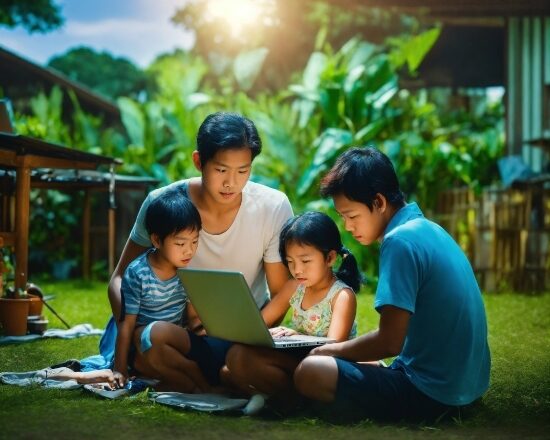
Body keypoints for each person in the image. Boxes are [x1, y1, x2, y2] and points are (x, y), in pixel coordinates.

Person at [293, 147, 491, 422]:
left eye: (352, 216)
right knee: (348, 362)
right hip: (468, 389)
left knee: (312, 370)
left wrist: (329, 349)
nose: (348, 227)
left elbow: (389, 342)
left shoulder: (399, 242)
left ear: (378, 202)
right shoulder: (429, 229)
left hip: (432, 395)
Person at [105, 111, 294, 391]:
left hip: (238, 338)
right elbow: (118, 279)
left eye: (243, 171)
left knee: (230, 359)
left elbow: (280, 294)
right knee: (148, 343)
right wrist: (132, 323)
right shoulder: (162, 203)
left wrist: (244, 331)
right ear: (198, 161)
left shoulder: (272, 207)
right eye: (221, 170)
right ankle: (214, 381)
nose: (231, 182)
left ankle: (204, 380)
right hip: (167, 332)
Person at [223, 211, 361, 405]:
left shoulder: (341, 296)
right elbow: (259, 324)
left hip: (321, 367)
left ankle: (292, 401)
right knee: (231, 365)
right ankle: (280, 398)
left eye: (305, 261)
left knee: (240, 362)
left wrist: (295, 333)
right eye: (290, 262)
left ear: (330, 258)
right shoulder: (295, 287)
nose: (297, 270)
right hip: (295, 359)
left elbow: (333, 349)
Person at [112, 189, 206, 391]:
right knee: (147, 339)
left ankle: (197, 380)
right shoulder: (138, 273)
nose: (189, 250)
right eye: (180, 243)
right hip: (144, 346)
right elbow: (126, 324)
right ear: (156, 240)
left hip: (173, 342)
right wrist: (119, 367)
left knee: (159, 337)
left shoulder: (188, 273)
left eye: (195, 241)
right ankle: (199, 383)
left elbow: (192, 320)